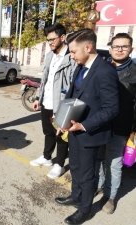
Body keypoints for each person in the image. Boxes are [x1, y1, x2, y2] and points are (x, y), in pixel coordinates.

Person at [54, 29, 119, 225]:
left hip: (89, 132)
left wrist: (83, 125)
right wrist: (61, 120)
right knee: (74, 167)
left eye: (73, 52)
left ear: (88, 47)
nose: (71, 56)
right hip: (73, 129)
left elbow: (111, 109)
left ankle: (85, 210)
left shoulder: (105, 72)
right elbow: (72, 97)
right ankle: (75, 196)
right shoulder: (80, 66)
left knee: (87, 174)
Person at [95, 33, 136, 214]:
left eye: (124, 46)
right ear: (110, 48)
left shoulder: (134, 73)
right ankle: (99, 184)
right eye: (116, 46)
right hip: (100, 123)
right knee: (99, 158)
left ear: (131, 49)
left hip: (121, 126)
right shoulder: (101, 67)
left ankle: (110, 197)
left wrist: (134, 131)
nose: (119, 49)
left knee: (114, 162)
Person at [29, 23, 77, 179]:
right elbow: (45, 80)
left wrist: (68, 108)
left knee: (61, 135)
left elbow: (72, 85)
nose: (50, 43)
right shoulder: (50, 55)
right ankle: (47, 157)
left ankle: (60, 164)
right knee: (48, 132)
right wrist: (38, 97)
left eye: (52, 39)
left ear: (63, 37)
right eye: (48, 40)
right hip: (46, 102)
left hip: (61, 104)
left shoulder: (71, 57)